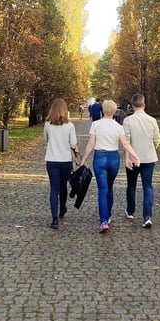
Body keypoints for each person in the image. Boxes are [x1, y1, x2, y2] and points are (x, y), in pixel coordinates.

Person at [80, 99, 140, 233]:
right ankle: (109, 216)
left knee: (102, 189)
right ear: (114, 111)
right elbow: (125, 144)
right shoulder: (118, 127)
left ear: (102, 110)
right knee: (110, 186)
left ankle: (103, 220)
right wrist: (135, 155)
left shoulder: (96, 125)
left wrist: (84, 158)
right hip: (114, 158)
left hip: (100, 157)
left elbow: (90, 144)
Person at [123, 93, 160, 229]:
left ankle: (131, 210)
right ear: (144, 105)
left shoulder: (128, 121)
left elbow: (126, 141)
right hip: (149, 157)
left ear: (132, 106)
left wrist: (127, 157)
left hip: (132, 158)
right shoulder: (152, 120)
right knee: (148, 186)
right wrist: (151, 148)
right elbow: (157, 139)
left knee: (131, 185)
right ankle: (147, 216)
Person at [43, 98, 78, 230]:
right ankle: (62, 208)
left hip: (52, 160)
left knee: (54, 188)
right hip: (65, 161)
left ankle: (54, 219)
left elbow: (46, 139)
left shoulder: (47, 125)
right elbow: (73, 144)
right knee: (63, 186)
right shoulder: (70, 126)